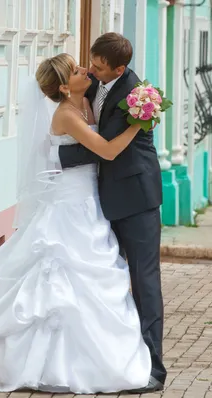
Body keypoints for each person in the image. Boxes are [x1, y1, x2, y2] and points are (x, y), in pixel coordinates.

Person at [0, 52, 151, 394]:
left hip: (88, 200)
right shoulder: (66, 115)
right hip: (69, 204)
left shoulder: (85, 104)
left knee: (90, 279)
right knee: (57, 277)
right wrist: (138, 124)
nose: (85, 70)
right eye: (77, 70)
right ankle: (39, 365)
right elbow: (106, 152)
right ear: (64, 88)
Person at [53, 33, 165, 393]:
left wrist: (57, 157)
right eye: (92, 61)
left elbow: (104, 149)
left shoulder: (136, 96)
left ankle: (154, 370)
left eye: (99, 66)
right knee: (109, 283)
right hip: (100, 199)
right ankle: (116, 359)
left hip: (137, 199)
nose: (92, 69)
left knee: (144, 282)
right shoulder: (92, 85)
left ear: (119, 68)